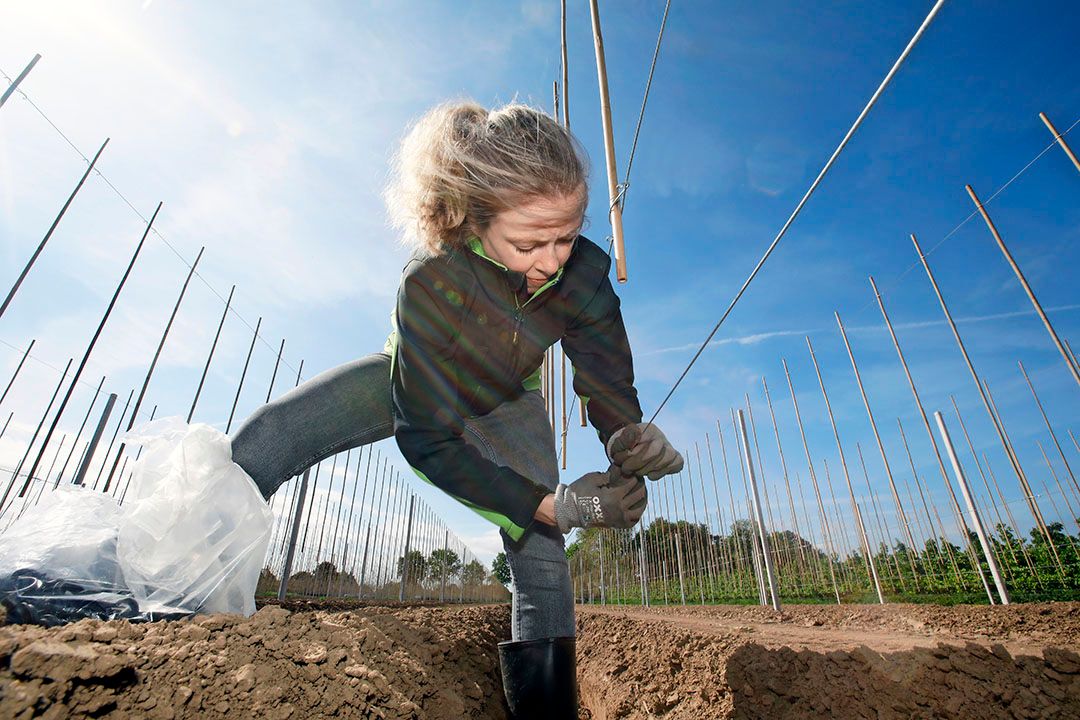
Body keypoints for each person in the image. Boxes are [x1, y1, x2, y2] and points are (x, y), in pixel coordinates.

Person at [229, 100, 683, 719]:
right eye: (529, 242)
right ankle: (180, 590)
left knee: (542, 550)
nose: (552, 260)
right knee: (272, 436)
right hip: (419, 382)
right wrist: (553, 501)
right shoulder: (431, 281)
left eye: (567, 237)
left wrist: (627, 434)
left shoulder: (584, 276)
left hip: (507, 401)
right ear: (475, 219)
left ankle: (544, 711)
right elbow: (428, 439)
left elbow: (603, 369)